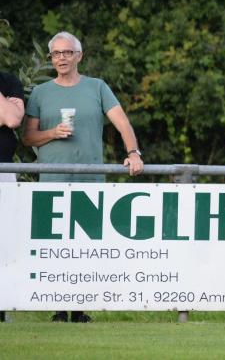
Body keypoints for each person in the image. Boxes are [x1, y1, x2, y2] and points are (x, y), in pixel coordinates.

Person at [22, 31, 144, 323]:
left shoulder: (97, 87)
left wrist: (134, 152)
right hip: (51, 180)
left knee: (85, 247)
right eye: (56, 54)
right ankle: (59, 309)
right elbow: (27, 137)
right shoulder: (41, 93)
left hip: (90, 180)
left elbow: (122, 121)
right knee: (54, 248)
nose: (61, 58)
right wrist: (52, 133)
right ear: (50, 59)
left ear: (79, 56)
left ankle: (79, 309)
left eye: (67, 53)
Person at [0, 70, 24, 323]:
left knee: (3, 244)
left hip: (2, 172)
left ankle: (0, 307)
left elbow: (12, 119)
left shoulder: (8, 81)